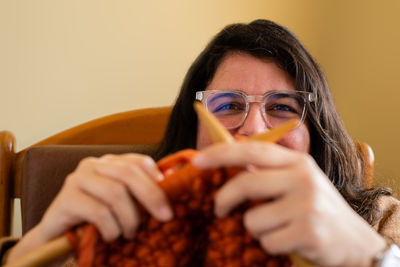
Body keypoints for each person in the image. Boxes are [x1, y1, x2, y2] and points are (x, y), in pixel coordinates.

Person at [4, 19, 400, 266]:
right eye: (227, 105)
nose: (253, 131)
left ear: (315, 130)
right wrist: (36, 251)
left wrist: (371, 258)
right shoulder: (132, 227)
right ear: (193, 127)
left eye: (281, 107)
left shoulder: (380, 221)